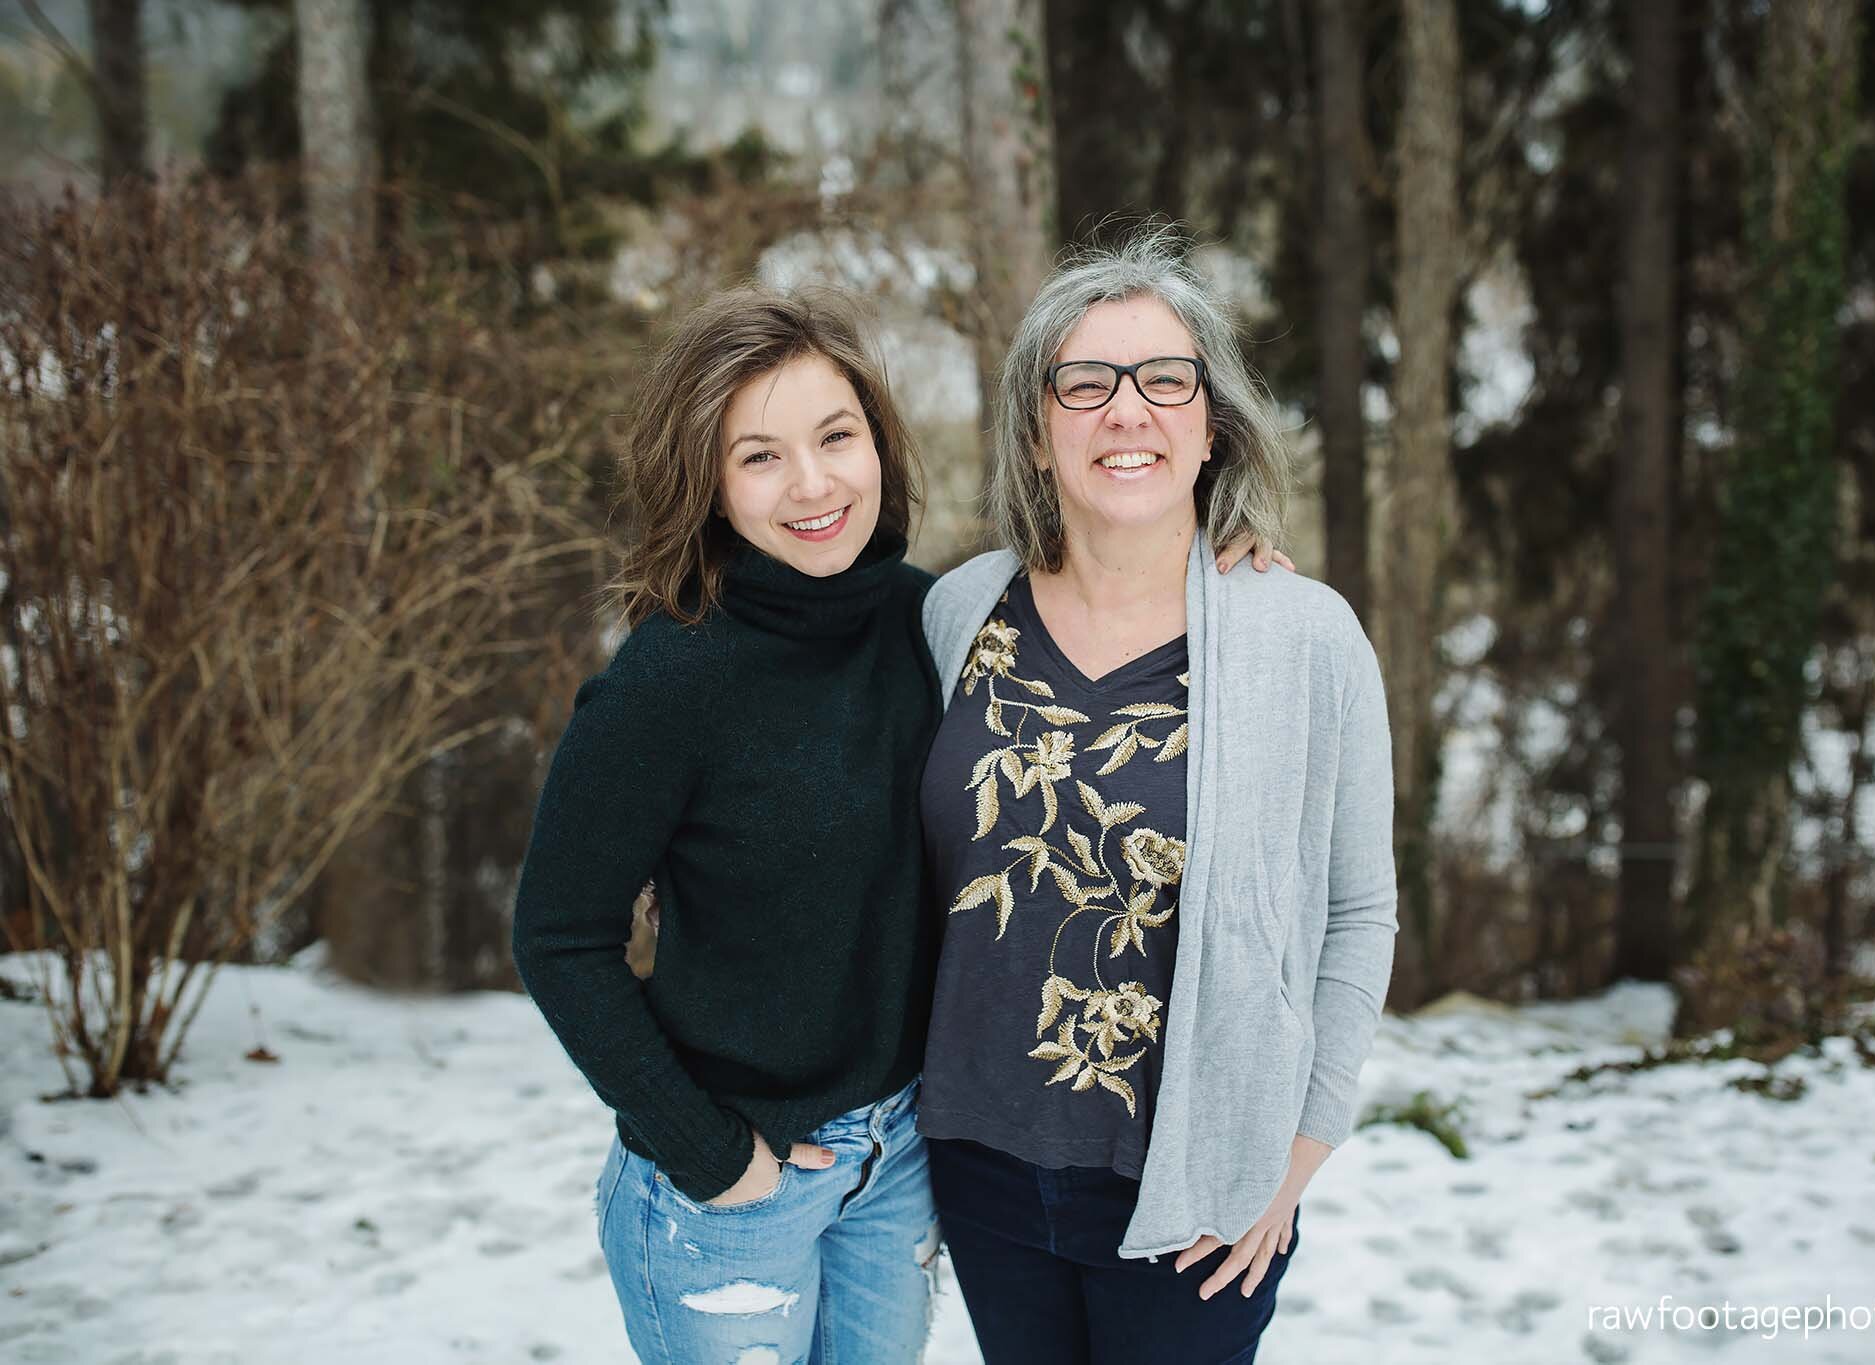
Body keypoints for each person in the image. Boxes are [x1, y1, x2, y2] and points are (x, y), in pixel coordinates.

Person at [916, 230, 1400, 1365]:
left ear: (1208, 422)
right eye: (1082, 383)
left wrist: (1294, 1153)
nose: (1123, 410)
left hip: (1192, 1197)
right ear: (1036, 434)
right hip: (975, 1163)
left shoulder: (1301, 638)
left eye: (1162, 379)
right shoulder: (956, 614)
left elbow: (1356, 912)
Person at [510, 288, 944, 1364]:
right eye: (758, 457)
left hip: (897, 1164)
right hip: (731, 1191)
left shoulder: (931, 625)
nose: (812, 484)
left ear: (877, 442)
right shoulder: (670, 679)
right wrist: (709, 1154)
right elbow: (558, 937)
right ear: (705, 482)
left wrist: (1228, 559)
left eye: (835, 436)